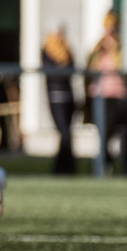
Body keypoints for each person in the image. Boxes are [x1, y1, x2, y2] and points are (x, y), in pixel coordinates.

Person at [85, 10, 126, 168]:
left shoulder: (121, 48)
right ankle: (104, 163)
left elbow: (121, 67)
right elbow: (90, 68)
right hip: (99, 95)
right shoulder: (98, 48)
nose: (109, 30)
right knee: (103, 132)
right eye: (107, 26)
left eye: (112, 26)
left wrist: (114, 49)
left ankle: (105, 162)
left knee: (111, 131)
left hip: (116, 94)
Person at [42, 25, 77, 175]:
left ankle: (66, 168)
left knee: (67, 133)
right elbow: (53, 73)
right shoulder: (46, 50)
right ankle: (61, 169)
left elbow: (71, 69)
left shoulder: (67, 50)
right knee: (64, 133)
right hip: (56, 97)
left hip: (68, 97)